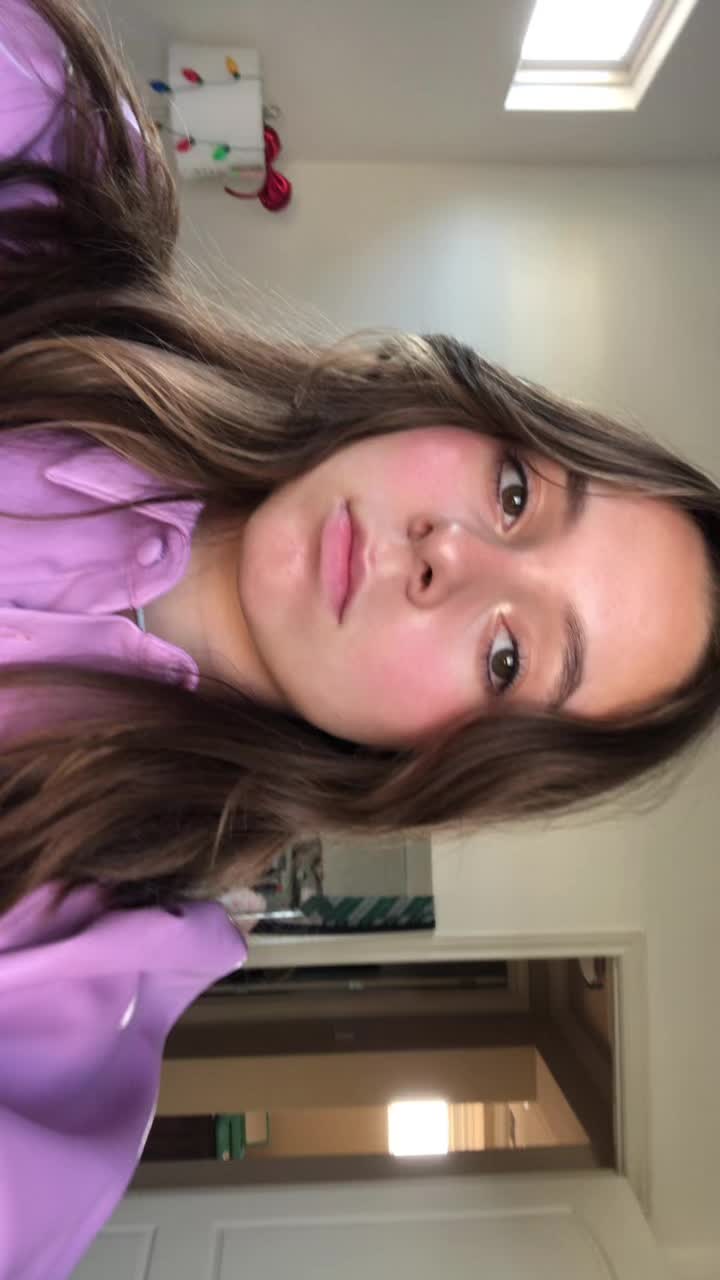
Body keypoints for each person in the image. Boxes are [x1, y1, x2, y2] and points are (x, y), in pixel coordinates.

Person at [0, 0, 719, 1275]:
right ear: (465, 409)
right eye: (516, 494)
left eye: (508, 658)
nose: (451, 557)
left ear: (443, 766)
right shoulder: (60, 171)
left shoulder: (73, 985)